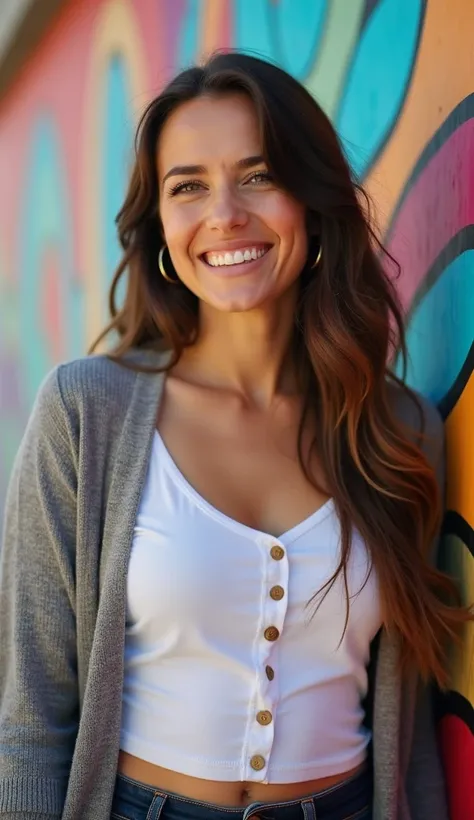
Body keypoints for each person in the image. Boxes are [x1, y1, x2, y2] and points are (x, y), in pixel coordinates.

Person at [0, 52, 469, 820]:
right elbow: (30, 721)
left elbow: (408, 727)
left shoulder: (401, 431)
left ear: (311, 201)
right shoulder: (85, 414)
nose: (225, 214)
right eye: (188, 187)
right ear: (160, 225)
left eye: (258, 175)